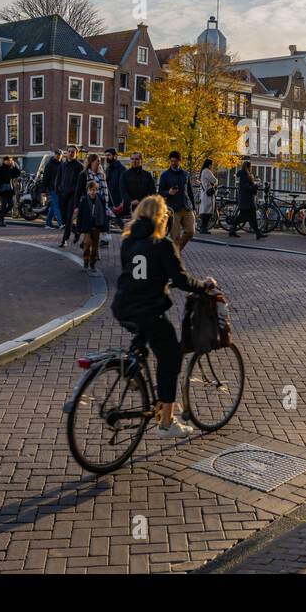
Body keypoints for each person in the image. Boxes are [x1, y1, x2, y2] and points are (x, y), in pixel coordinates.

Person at [112, 195, 217, 437]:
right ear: (161, 217)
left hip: (123, 307)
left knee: (145, 348)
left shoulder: (128, 241)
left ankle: (142, 382)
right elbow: (182, 280)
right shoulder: (163, 244)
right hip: (148, 310)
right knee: (170, 358)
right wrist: (203, 285)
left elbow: (137, 272)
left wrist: (159, 278)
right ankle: (167, 423)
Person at [158, 151, 196, 252]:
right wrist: (168, 192)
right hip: (173, 209)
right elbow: (160, 192)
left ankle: (176, 250)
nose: (173, 163)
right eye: (172, 161)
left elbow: (190, 191)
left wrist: (194, 208)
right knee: (175, 236)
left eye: (175, 161)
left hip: (187, 207)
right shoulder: (165, 175)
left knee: (190, 232)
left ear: (180, 161)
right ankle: (174, 255)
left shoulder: (186, 174)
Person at [76, 179, 108, 272]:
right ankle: (86, 261)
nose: (93, 192)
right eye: (91, 190)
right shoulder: (84, 201)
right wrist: (78, 228)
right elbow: (80, 216)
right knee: (87, 244)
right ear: (88, 190)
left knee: (95, 246)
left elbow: (104, 214)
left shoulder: (100, 200)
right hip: (87, 226)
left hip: (97, 225)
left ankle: (92, 263)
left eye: (95, 190)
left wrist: (105, 226)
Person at [57, 148, 85, 247]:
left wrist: (81, 194)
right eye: (69, 151)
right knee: (64, 219)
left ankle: (64, 240)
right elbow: (58, 178)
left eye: (73, 152)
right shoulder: (62, 165)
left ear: (76, 154)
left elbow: (83, 182)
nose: (70, 153)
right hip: (62, 194)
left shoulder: (80, 166)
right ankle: (76, 231)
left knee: (69, 217)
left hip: (74, 195)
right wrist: (57, 190)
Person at [228, 160, 263, 239]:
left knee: (251, 217)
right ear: (248, 167)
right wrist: (255, 186)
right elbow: (246, 188)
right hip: (246, 200)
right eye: (250, 167)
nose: (251, 168)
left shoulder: (245, 175)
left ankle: (258, 233)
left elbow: (247, 186)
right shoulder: (244, 176)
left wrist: (254, 186)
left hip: (247, 200)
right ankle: (232, 230)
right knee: (243, 217)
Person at [0, 156, 22, 226]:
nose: (9, 162)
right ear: (4, 161)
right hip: (1, 190)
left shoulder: (11, 169)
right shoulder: (0, 169)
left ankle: (1, 216)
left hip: (9, 190)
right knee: (4, 204)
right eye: (8, 160)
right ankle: (1, 220)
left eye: (10, 160)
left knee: (11, 204)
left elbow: (18, 174)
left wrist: (14, 166)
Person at [41, 149, 63, 229]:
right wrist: (43, 191)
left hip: (60, 189)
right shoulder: (49, 164)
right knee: (57, 205)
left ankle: (48, 223)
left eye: (60, 154)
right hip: (52, 188)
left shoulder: (62, 164)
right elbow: (45, 178)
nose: (59, 156)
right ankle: (61, 224)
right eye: (57, 154)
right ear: (54, 155)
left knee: (54, 205)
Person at [198, 159, 219, 234]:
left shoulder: (203, 171)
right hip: (208, 194)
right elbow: (214, 180)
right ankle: (203, 228)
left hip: (205, 193)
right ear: (209, 164)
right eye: (211, 164)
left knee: (206, 211)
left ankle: (203, 228)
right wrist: (216, 181)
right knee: (207, 212)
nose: (212, 166)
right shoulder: (207, 171)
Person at [104, 148, 126, 217]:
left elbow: (124, 186)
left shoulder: (122, 169)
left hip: (118, 200)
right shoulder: (108, 169)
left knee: (119, 221)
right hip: (109, 200)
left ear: (115, 156)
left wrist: (122, 201)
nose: (107, 157)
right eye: (106, 156)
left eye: (109, 155)